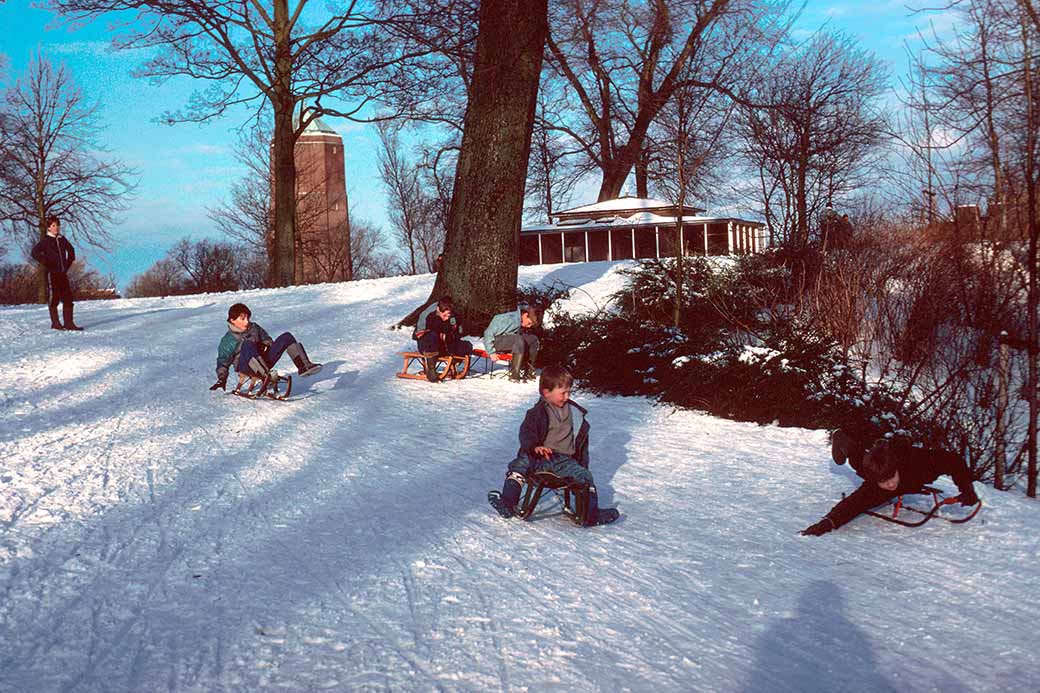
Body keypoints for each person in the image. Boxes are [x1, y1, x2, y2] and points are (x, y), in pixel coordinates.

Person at [487, 365, 619, 527]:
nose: (567, 396)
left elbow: (582, 445)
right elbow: (526, 433)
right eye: (563, 393)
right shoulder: (537, 413)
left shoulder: (576, 414)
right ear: (546, 392)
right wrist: (534, 446)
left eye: (569, 392)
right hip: (539, 457)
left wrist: (582, 465)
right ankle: (508, 501)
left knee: (585, 476)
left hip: (565, 461)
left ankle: (590, 513)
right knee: (520, 464)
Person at [801, 429, 979, 536]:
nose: (891, 485)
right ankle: (843, 440)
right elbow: (852, 505)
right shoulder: (875, 485)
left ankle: (871, 448)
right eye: (884, 482)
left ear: (896, 468)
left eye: (891, 478)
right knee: (858, 460)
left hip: (900, 460)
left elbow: (954, 461)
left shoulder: (921, 464)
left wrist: (967, 489)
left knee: (871, 463)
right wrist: (826, 523)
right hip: (873, 464)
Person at [210, 303, 323, 392]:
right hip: (245, 366)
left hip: (263, 360)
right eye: (242, 319)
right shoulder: (228, 339)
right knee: (247, 344)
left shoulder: (254, 328)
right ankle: (265, 376)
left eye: (248, 318)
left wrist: (265, 345)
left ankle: (304, 366)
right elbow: (223, 361)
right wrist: (222, 378)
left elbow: (267, 339)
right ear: (232, 320)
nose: (247, 321)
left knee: (286, 337)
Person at [31, 216, 82, 331]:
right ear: (49, 227)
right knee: (55, 298)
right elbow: (34, 252)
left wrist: (68, 263)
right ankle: (55, 323)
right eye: (53, 225)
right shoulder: (46, 241)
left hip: (63, 274)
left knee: (68, 298)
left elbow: (71, 250)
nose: (56, 228)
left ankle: (69, 323)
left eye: (58, 225)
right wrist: (46, 262)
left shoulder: (62, 239)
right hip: (53, 274)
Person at [413, 296, 473, 382]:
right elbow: (420, 334)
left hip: (446, 346)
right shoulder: (428, 316)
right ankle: (431, 369)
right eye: (444, 315)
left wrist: (452, 332)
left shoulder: (453, 315)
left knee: (467, 345)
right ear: (438, 310)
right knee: (432, 337)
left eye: (448, 315)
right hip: (428, 346)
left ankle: (454, 365)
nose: (446, 318)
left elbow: (458, 332)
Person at [483, 305, 541, 382]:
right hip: (496, 342)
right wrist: (491, 352)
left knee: (533, 339)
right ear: (525, 315)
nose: (529, 326)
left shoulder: (518, 320)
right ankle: (514, 375)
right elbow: (488, 333)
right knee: (518, 339)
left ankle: (528, 372)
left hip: (511, 342)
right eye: (529, 323)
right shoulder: (508, 319)